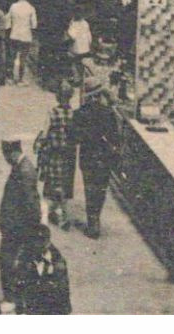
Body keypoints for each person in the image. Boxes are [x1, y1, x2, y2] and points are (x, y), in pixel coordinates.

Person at [70, 77, 121, 238]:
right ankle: (96, 217)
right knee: (101, 189)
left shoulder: (80, 113)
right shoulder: (108, 114)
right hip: (104, 157)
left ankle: (92, 221)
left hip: (87, 157)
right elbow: (116, 138)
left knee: (89, 188)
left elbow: (74, 137)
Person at [0, 136, 42, 304]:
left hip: (17, 227)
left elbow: (30, 203)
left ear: (12, 153)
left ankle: (12, 297)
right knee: (12, 261)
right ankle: (14, 295)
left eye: (6, 155)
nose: (5, 159)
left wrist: (31, 229)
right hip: (16, 225)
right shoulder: (22, 167)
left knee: (8, 260)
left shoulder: (24, 171)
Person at [36, 86, 78, 229]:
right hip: (69, 154)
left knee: (52, 183)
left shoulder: (52, 113)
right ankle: (62, 214)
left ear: (57, 97)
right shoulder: (74, 114)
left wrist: (39, 146)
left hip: (54, 152)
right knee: (64, 184)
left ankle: (48, 216)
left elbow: (44, 133)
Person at [13, 223, 72, 314]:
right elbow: (18, 284)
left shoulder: (57, 260)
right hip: (32, 303)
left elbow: (63, 288)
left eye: (43, 241)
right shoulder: (23, 258)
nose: (39, 245)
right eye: (36, 242)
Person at [6, 0, 39, 83]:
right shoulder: (31, 8)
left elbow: (8, 22)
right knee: (23, 58)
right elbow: (34, 25)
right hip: (26, 36)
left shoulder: (13, 6)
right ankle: (20, 79)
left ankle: (11, 78)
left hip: (14, 35)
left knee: (12, 57)